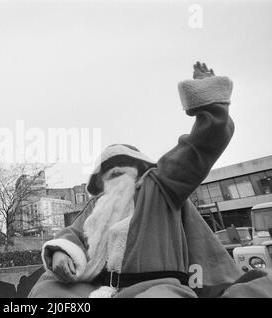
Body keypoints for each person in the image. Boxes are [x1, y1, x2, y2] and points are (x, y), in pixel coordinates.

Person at [28, 62, 272, 298]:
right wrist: (61, 253)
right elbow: (73, 234)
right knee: (45, 291)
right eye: (107, 171)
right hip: (98, 287)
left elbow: (199, 148)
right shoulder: (96, 206)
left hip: (157, 286)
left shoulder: (161, 185)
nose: (114, 174)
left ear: (139, 167)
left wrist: (208, 100)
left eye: (121, 166)